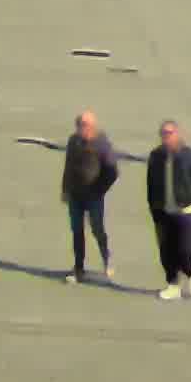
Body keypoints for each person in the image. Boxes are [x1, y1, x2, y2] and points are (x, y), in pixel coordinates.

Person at [144, 119, 191, 300]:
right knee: (166, 251)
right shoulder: (156, 156)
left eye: (170, 133)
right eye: (164, 134)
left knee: (185, 250)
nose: (167, 137)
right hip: (162, 211)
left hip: (186, 211)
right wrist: (152, 207)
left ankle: (190, 275)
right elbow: (150, 183)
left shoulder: (190, 156)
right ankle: (173, 284)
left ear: (178, 134)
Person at [62, 110, 121, 282]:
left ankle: (107, 258)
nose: (83, 129)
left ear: (93, 127)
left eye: (86, 126)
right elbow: (68, 166)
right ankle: (79, 268)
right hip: (75, 194)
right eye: (80, 126)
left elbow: (112, 172)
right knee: (77, 231)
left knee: (97, 229)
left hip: (94, 196)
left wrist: (99, 189)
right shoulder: (73, 141)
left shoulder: (102, 144)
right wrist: (65, 189)